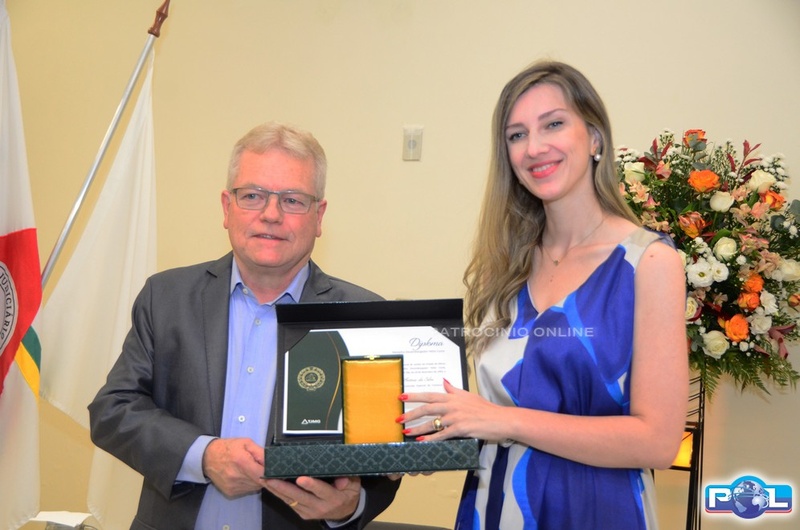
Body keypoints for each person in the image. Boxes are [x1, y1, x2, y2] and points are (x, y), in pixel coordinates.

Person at [397, 61, 688, 529]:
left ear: (595, 138)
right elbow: (490, 412)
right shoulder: (504, 266)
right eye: (516, 135)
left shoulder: (647, 262)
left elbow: (658, 442)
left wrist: (503, 421)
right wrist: (442, 429)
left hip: (595, 510)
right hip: (492, 505)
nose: (534, 147)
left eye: (553, 124)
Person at [89, 122, 400, 530]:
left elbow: (386, 456)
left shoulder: (363, 317)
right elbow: (113, 411)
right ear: (226, 207)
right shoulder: (165, 298)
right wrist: (203, 455)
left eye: (292, 200)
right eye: (252, 196)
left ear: (319, 216)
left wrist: (349, 507)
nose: (271, 215)